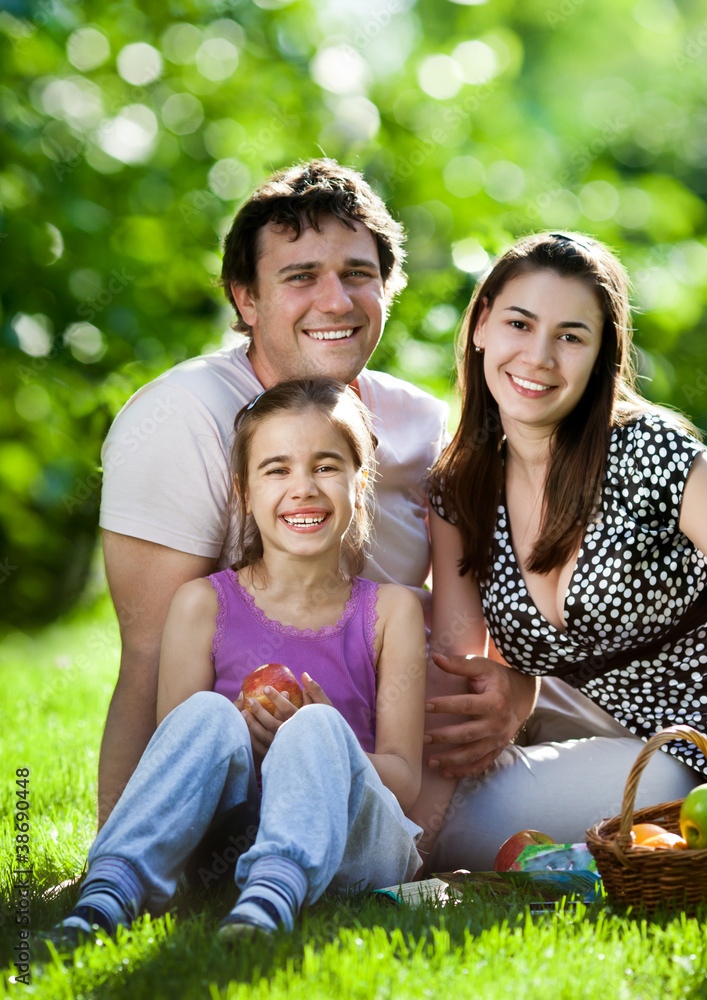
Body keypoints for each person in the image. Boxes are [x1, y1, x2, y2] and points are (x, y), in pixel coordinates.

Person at [95, 159, 459, 828]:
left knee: (626, 774)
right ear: (246, 299)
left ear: (388, 286)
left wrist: (511, 696)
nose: (336, 301)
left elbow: (460, 616)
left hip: (401, 754)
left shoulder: (422, 423)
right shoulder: (181, 418)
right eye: (300, 277)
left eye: (358, 274)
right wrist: (119, 850)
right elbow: (147, 656)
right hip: (247, 765)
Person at [412, 230, 707, 873]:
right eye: (519, 324)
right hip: (653, 755)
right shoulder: (460, 489)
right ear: (479, 327)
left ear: (599, 357)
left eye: (570, 336)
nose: (538, 357)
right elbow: (455, 659)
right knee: (439, 816)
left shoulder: (650, 452)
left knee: (459, 825)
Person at [42, 378, 425, 949]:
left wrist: (328, 740)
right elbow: (176, 762)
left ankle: (270, 898)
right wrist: (248, 742)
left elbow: (405, 780)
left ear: (359, 483)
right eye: (277, 469)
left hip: (356, 847)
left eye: (326, 467)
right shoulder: (204, 604)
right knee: (205, 714)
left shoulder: (390, 611)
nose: (303, 489)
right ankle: (111, 889)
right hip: (225, 844)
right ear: (244, 492)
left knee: (315, 726)